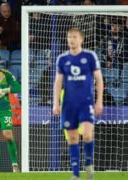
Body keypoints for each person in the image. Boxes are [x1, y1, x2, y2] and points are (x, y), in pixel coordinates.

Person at [53, 28, 104, 180]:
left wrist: (99, 101)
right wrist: (56, 103)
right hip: (68, 105)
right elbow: (58, 82)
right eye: (69, 37)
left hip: (86, 103)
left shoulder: (89, 56)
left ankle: (88, 164)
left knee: (88, 135)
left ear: (81, 39)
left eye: (74, 37)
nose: (71, 40)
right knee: (73, 139)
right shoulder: (62, 59)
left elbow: (99, 79)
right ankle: (75, 174)